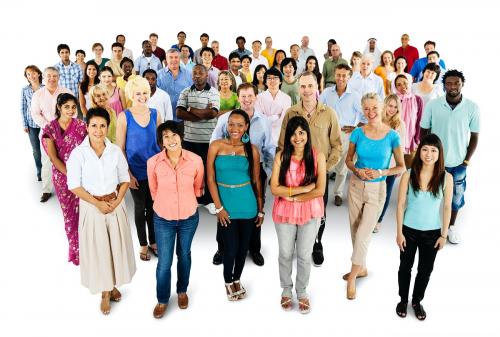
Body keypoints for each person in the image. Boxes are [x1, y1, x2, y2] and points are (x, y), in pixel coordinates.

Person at [67, 107, 136, 315]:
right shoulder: (79, 154)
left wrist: (116, 201)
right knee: (99, 252)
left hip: (115, 205)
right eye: (94, 125)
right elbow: (74, 185)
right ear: (87, 127)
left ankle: (113, 285)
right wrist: (97, 203)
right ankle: (105, 292)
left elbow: (124, 180)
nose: (98, 130)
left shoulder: (115, 150)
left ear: (108, 127)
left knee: (115, 248)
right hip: (92, 207)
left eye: (103, 126)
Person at [344, 92, 405, 300]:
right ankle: (362, 268)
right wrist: (355, 169)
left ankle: (352, 276)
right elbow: (349, 160)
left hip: (377, 189)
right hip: (355, 185)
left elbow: (401, 166)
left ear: (381, 107)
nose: (370, 112)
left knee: (363, 233)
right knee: (354, 230)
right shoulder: (358, 133)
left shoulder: (392, 136)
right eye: (366, 109)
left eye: (374, 108)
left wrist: (381, 172)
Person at [279, 71, 342, 267]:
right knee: (295, 209)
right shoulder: (290, 113)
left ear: (317, 87)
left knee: (319, 213)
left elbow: (337, 146)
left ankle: (316, 242)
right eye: (303, 86)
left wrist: (324, 170)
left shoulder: (329, 113)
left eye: (310, 86)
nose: (306, 91)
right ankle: (298, 242)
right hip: (294, 177)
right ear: (299, 88)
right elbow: (282, 145)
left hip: (317, 177)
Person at [211, 83, 275, 267]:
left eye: (250, 96)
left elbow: (270, 147)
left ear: (256, 97)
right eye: (243, 97)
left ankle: (254, 248)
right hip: (231, 169)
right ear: (238, 98)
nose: (247, 100)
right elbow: (214, 142)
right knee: (224, 208)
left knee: (256, 208)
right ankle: (222, 248)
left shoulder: (263, 121)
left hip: (256, 169)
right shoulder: (226, 119)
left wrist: (266, 172)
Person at [148, 121, 204, 319]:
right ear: (161, 141)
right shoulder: (153, 162)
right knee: (164, 262)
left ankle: (182, 291)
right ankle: (162, 299)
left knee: (185, 255)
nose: (170, 140)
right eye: (166, 136)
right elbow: (153, 191)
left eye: (174, 135)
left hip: (189, 217)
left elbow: (198, 186)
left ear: (181, 136)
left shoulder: (196, 160)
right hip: (163, 218)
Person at [270, 115, 326, 314]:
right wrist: (302, 190)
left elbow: (320, 190)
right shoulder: (281, 156)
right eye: (293, 133)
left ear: (307, 134)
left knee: (303, 255)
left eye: (301, 133)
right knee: (285, 253)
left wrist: (293, 195)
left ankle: (301, 291)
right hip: (285, 211)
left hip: (310, 211)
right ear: (288, 136)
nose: (297, 137)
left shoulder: (317, 156)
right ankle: (286, 289)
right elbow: (275, 189)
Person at [206, 109, 263, 301]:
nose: (235, 128)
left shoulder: (252, 149)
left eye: (240, 125)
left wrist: (261, 209)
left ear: (246, 127)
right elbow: (210, 178)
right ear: (226, 125)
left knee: (242, 248)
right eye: (231, 124)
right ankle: (228, 281)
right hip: (226, 206)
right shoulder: (216, 146)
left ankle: (237, 278)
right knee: (230, 248)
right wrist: (219, 207)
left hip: (247, 205)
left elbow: (256, 181)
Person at [395, 133, 452, 320]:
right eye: (425, 149)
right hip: (408, 231)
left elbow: (446, 207)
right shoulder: (408, 175)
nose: (429, 154)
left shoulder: (446, 178)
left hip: (432, 234)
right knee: (405, 267)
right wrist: (399, 233)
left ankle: (416, 301)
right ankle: (403, 299)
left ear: (439, 153)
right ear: (419, 151)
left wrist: (444, 235)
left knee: (425, 270)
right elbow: (401, 204)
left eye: (434, 150)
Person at [420, 69, 480, 244]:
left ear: (462, 84)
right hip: (435, 162)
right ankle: (430, 226)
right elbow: (423, 130)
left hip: (458, 163)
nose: (453, 86)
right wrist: (427, 155)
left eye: (457, 83)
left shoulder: (472, 107)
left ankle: (451, 227)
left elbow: (475, 137)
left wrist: (466, 161)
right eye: (449, 83)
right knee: (430, 193)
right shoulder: (432, 104)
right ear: (444, 85)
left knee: (456, 197)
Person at [116, 76, 161, 261]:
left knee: (153, 208)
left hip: (155, 171)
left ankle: (154, 241)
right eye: (138, 93)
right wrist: (127, 174)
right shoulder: (124, 116)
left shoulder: (155, 113)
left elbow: (162, 142)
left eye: (144, 92)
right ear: (131, 95)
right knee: (139, 207)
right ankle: (143, 244)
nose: (142, 96)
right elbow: (120, 148)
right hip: (135, 171)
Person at [41, 93, 87, 265]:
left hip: (83, 177)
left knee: (85, 213)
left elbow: (87, 151)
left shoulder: (82, 126)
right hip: (63, 179)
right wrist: (71, 175)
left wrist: (81, 175)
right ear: (59, 107)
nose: (71, 110)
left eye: (74, 107)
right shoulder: (50, 129)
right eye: (67, 106)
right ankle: (75, 252)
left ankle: (88, 249)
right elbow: (53, 157)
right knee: (69, 215)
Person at [176, 64, 220, 214]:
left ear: (207, 75)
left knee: (208, 171)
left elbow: (213, 113)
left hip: (208, 140)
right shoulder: (185, 92)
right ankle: (194, 199)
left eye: (200, 73)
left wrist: (190, 109)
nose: (196, 76)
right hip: (188, 139)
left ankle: (208, 200)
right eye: (194, 73)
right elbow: (179, 114)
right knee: (190, 171)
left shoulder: (213, 92)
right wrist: (203, 112)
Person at [319, 64, 363, 207]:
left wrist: (356, 128)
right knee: (324, 165)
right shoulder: (326, 93)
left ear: (349, 77)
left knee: (342, 168)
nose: (341, 78)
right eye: (338, 75)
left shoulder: (355, 96)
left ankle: (338, 194)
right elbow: (318, 110)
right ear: (334, 75)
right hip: (327, 135)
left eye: (344, 75)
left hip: (345, 135)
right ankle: (320, 192)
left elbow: (365, 116)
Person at [31, 67, 72, 202]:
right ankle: (46, 190)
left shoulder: (66, 92)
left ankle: (70, 186)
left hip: (65, 132)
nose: (52, 78)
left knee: (67, 160)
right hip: (47, 132)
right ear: (43, 77)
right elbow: (35, 114)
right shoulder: (38, 94)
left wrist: (63, 126)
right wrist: (49, 127)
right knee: (47, 161)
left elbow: (74, 111)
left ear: (59, 77)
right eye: (49, 76)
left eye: (55, 76)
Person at [375, 94, 406, 232]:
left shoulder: (400, 125)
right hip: (375, 163)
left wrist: (399, 167)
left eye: (395, 107)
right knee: (373, 192)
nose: (392, 109)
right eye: (390, 106)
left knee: (385, 194)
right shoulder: (377, 120)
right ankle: (369, 216)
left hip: (391, 166)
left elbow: (402, 147)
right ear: (385, 105)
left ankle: (379, 220)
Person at [394, 74, 424, 168]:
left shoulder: (418, 99)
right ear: (395, 87)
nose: (402, 86)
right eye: (399, 85)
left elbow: (419, 120)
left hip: (410, 140)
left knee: (409, 169)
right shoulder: (393, 99)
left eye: (405, 83)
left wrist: (417, 139)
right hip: (394, 139)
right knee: (392, 169)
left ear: (409, 84)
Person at [255, 67, 291, 145]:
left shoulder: (287, 98)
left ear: (280, 81)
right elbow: (260, 119)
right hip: (263, 135)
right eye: (269, 78)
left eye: (275, 78)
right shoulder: (259, 97)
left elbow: (284, 119)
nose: (272, 80)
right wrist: (276, 116)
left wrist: (268, 117)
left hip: (281, 135)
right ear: (265, 82)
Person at [21, 65, 44, 182]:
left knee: (49, 149)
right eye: (28, 74)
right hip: (31, 124)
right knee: (36, 150)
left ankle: (50, 171)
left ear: (38, 74)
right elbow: (23, 107)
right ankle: (40, 172)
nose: (31, 76)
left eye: (33, 73)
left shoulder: (45, 88)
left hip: (45, 123)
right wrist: (25, 124)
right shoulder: (25, 90)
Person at [157, 48, 193, 121]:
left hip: (184, 118)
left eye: (176, 57)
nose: (174, 60)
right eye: (171, 57)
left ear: (180, 59)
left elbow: (193, 93)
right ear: (166, 59)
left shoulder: (189, 74)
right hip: (164, 118)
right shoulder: (158, 75)